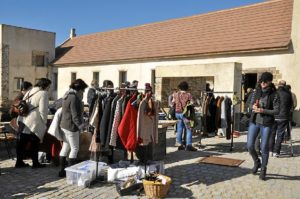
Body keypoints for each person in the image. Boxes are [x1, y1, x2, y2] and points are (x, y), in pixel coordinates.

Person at [247, 72, 279, 180]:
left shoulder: (274, 94)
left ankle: (264, 169)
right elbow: (250, 104)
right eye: (261, 81)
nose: (263, 84)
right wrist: (253, 106)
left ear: (270, 82)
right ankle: (257, 162)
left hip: (267, 124)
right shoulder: (257, 91)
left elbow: (277, 110)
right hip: (255, 121)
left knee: (264, 147)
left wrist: (262, 110)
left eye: (265, 82)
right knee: (250, 145)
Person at [16, 78, 52, 169]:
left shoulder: (29, 91)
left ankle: (19, 162)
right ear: (45, 85)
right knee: (34, 143)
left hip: (24, 120)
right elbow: (43, 110)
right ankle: (35, 163)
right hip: (35, 121)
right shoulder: (43, 93)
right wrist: (44, 123)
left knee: (22, 143)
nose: (49, 88)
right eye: (49, 86)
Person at [58, 79, 88, 177]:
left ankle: (62, 171)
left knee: (65, 147)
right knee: (75, 148)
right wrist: (81, 126)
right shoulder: (74, 97)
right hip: (71, 126)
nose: (83, 92)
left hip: (64, 125)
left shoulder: (66, 95)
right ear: (79, 89)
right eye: (83, 90)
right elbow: (75, 115)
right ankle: (72, 172)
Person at [269, 80, 292, 157]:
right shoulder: (288, 94)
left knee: (272, 134)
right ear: (285, 85)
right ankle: (276, 151)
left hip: (274, 116)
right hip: (283, 116)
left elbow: (270, 104)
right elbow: (291, 105)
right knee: (280, 135)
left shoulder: (274, 93)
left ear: (278, 85)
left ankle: (270, 150)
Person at [172, 81, 197, 151]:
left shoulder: (175, 94)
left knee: (179, 129)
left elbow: (172, 102)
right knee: (189, 129)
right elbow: (192, 103)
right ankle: (189, 145)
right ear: (186, 88)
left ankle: (179, 144)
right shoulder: (188, 95)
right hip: (185, 114)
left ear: (180, 87)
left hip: (177, 113)